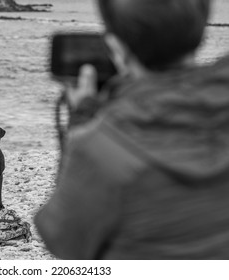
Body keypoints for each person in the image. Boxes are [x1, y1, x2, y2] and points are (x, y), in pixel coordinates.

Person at [34, 0, 229, 259]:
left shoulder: (101, 149)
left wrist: (83, 118)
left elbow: (65, 244)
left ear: (115, 45)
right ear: (201, 31)